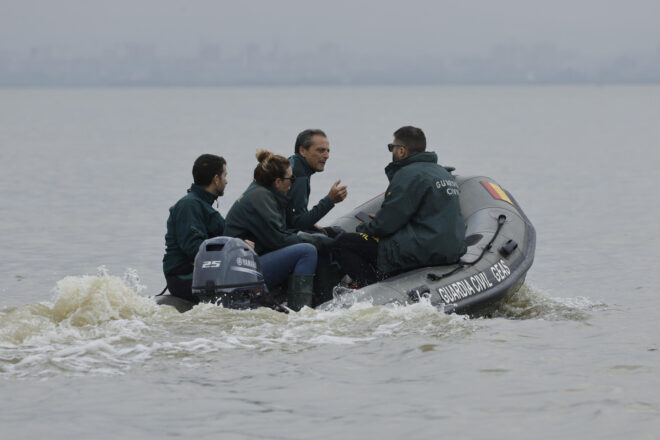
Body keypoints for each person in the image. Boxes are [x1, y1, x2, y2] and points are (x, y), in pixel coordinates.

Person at [334, 126, 467, 286]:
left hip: (423, 249)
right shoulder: (443, 173)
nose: (391, 151)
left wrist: (365, 228)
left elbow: (385, 225)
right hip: (450, 250)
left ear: (402, 151)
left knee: (344, 243)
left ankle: (372, 289)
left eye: (392, 147)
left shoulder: (407, 175)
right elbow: (425, 216)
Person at [224, 150, 321, 310]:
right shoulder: (261, 198)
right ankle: (301, 311)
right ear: (278, 181)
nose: (293, 183)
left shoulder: (262, 192)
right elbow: (279, 241)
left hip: (245, 264)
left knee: (307, 243)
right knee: (307, 251)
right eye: (291, 178)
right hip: (244, 270)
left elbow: (277, 233)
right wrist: (318, 240)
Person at [163, 154, 227, 302]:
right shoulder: (189, 205)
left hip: (202, 273)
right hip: (184, 278)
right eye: (225, 176)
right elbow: (194, 248)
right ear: (216, 179)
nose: (226, 181)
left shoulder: (202, 204)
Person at [287, 129, 348, 232]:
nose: (326, 156)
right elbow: (298, 224)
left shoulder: (293, 163)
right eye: (320, 150)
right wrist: (330, 200)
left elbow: (293, 215)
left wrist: (312, 224)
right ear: (302, 151)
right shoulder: (298, 175)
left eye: (328, 151)